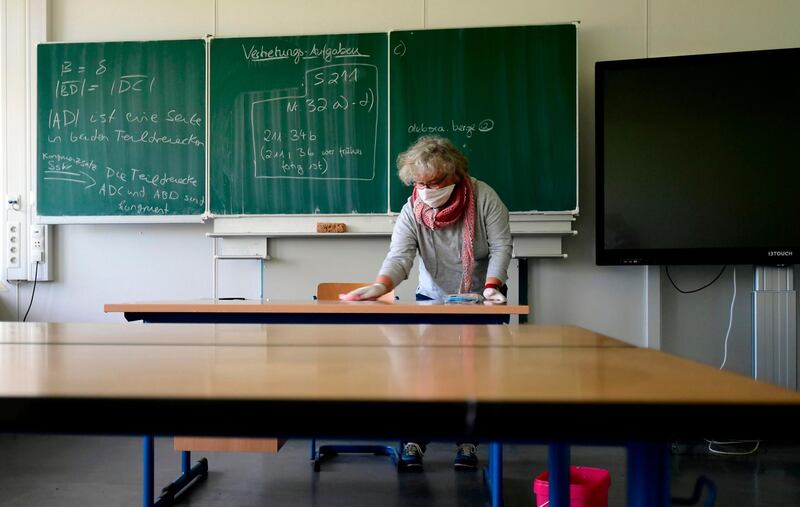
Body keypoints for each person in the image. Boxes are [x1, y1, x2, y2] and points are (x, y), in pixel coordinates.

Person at [340, 135, 512, 471]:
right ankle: (415, 441)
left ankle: (467, 444)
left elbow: (501, 247)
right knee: (422, 379)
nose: (427, 189)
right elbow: (400, 255)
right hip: (431, 298)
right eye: (420, 182)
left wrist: (492, 286)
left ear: (454, 176)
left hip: (481, 298)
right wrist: (380, 285)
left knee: (473, 378)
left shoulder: (484, 197)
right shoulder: (412, 210)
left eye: (434, 182)